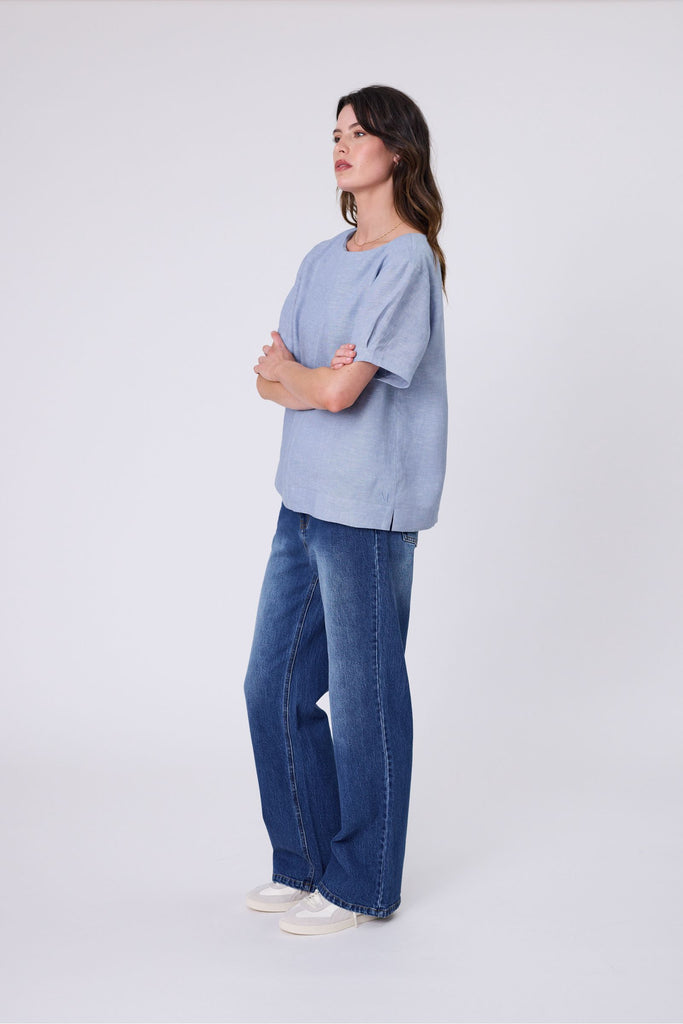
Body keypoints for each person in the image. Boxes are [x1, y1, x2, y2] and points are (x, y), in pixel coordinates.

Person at [243, 84, 448, 936]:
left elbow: (337, 391)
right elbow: (272, 373)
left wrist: (314, 382)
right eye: (335, 132)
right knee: (272, 686)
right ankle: (305, 862)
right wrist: (307, 379)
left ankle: (363, 886)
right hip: (302, 499)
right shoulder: (323, 259)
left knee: (364, 700)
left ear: (395, 150)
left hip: (367, 509)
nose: (342, 144)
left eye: (358, 132)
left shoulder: (406, 261)